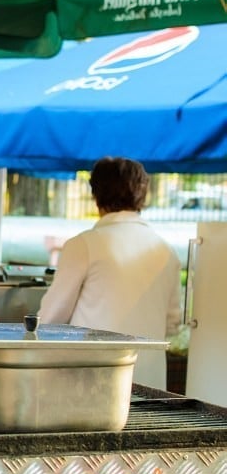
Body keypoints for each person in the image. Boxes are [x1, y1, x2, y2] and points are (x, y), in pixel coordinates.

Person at [38, 156, 182, 389]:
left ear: (96, 195)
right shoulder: (167, 251)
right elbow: (173, 325)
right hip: (151, 385)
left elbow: (50, 319)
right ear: (142, 195)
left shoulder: (84, 245)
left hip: (93, 385)